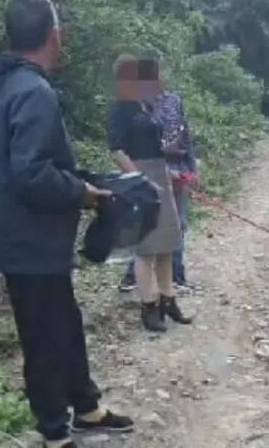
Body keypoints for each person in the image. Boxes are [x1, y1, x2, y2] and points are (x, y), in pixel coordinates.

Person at [0, 0, 133, 448]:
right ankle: (53, 431)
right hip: (31, 241)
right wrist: (82, 192)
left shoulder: (10, 85)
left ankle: (85, 407)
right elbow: (31, 173)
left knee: (63, 323)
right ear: (54, 35)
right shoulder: (33, 91)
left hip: (31, 239)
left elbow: (29, 164)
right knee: (44, 338)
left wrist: (80, 180)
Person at [108, 54, 193, 332]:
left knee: (167, 242)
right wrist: (139, 178)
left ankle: (168, 299)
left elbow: (156, 146)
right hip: (140, 178)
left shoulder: (146, 105)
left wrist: (171, 171)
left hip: (160, 173)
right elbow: (117, 150)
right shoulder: (121, 108)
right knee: (146, 247)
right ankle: (148, 305)